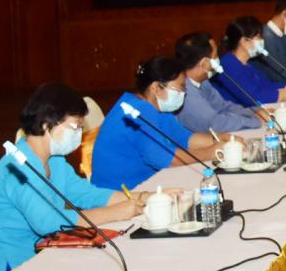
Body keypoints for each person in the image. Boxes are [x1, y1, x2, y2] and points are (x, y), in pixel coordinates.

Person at [0, 84, 148, 271]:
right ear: (46, 124)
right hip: (3, 267)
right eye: (75, 127)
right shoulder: (17, 166)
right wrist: (116, 212)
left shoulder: (54, 160)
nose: (79, 134)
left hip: (37, 254)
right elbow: (49, 223)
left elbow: (85, 193)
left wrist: (143, 198)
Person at [91, 56, 232, 189]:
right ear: (156, 88)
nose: (184, 93)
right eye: (180, 88)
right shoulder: (138, 111)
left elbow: (185, 138)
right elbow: (165, 159)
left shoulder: (155, 107)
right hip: (121, 192)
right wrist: (211, 152)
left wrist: (221, 139)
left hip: (146, 184)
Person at [174, 32, 264, 134]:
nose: (218, 59)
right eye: (215, 55)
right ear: (205, 63)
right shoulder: (185, 92)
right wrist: (255, 122)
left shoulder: (203, 82)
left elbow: (223, 107)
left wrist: (254, 112)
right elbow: (215, 124)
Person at [214, 16, 286, 107]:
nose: (262, 40)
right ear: (244, 41)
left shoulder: (248, 64)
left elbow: (266, 85)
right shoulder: (228, 65)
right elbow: (255, 98)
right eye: (258, 37)